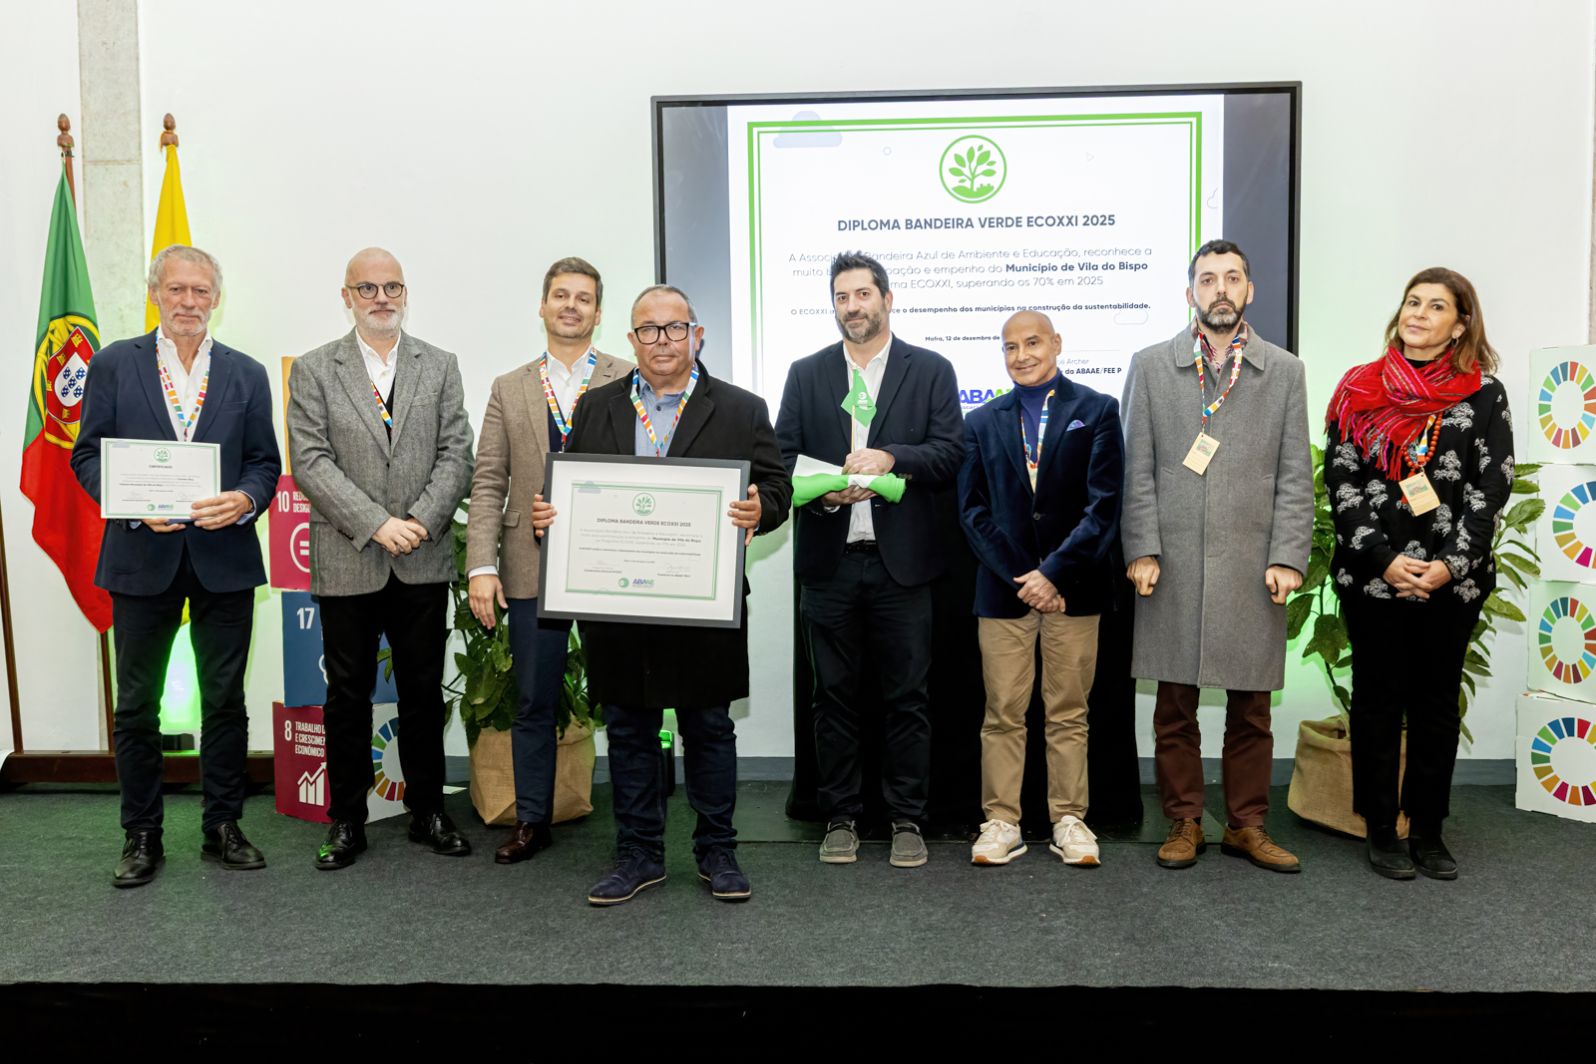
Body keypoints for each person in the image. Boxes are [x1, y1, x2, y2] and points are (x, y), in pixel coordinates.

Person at [534, 284, 791, 905]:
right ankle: (639, 854)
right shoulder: (597, 408)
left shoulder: (741, 407)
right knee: (628, 730)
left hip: (705, 599)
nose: (663, 342)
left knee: (708, 728)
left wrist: (761, 509)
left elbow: (777, 488)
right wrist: (554, 516)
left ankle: (717, 852)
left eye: (675, 329)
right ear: (631, 341)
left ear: (697, 335)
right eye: (648, 331)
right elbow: (580, 490)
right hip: (620, 603)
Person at [71, 245, 282, 888]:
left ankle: (222, 826)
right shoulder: (112, 365)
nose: (188, 302)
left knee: (225, 701)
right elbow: (86, 458)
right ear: (155, 294)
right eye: (176, 290)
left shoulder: (246, 373)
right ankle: (142, 834)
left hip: (224, 558)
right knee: (137, 706)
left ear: (216, 298)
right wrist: (134, 506)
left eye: (200, 291)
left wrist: (246, 498)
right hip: (141, 557)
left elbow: (264, 463)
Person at [1120, 239, 1313, 873]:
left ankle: (1246, 825)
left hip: (1252, 567)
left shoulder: (1284, 371)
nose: (1220, 289)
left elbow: (1294, 477)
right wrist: (1141, 548)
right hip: (1170, 565)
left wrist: (1288, 555)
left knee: (1251, 707)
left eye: (1233, 277)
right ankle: (1182, 821)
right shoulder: (1151, 367)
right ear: (1190, 294)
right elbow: (1137, 470)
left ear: (1250, 290)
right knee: (1173, 702)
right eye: (1208, 280)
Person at [287, 247, 475, 870]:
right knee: (347, 698)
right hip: (350, 557)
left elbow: (457, 453)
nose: (381, 298)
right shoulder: (315, 369)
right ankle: (347, 821)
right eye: (367, 288)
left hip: (421, 559)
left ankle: (428, 810)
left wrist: (419, 520)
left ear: (405, 293)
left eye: (392, 286)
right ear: (346, 296)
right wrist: (377, 524)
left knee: (423, 691)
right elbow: (310, 461)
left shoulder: (439, 365)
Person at [774, 252, 964, 868]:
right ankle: (841, 816)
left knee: (908, 697)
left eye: (861, 294)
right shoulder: (806, 374)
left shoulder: (930, 369)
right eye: (841, 297)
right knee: (833, 699)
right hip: (830, 562)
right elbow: (780, 458)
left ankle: (908, 818)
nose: (851, 306)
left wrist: (891, 458)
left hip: (901, 566)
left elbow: (949, 454)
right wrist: (823, 492)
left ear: (886, 298)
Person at [1325, 268, 1512, 881]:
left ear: (1460, 324)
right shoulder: (1359, 387)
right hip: (1374, 576)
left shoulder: (1485, 395)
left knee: (1435, 705)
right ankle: (1381, 828)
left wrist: (1449, 565)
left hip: (1448, 581)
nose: (1419, 314)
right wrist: (1383, 559)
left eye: (1437, 306)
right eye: (1412, 302)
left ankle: (1428, 830)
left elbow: (1493, 485)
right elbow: (1343, 480)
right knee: (1377, 701)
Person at [464, 257, 630, 863]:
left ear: (598, 312)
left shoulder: (628, 376)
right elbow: (488, 483)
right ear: (542, 306)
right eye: (560, 295)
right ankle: (532, 820)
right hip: (530, 566)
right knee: (534, 697)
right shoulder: (509, 387)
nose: (570, 306)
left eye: (583, 298)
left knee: (627, 699)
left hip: (610, 566)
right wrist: (482, 566)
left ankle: (634, 829)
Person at [957, 311, 1123, 867]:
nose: (1022, 354)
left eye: (1032, 342)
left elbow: (1104, 506)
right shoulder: (980, 421)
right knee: (1002, 711)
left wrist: (1054, 573)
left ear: (1056, 343)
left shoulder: (1097, 411)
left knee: (1068, 711)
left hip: (1075, 588)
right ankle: (1001, 821)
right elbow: (972, 511)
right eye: (1010, 347)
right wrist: (1025, 578)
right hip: (1004, 593)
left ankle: (1068, 820)